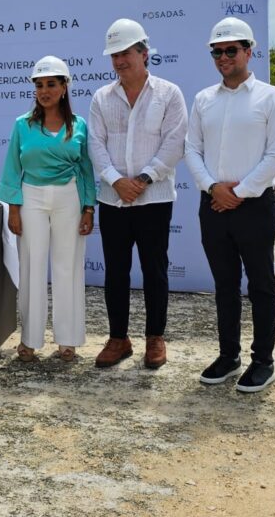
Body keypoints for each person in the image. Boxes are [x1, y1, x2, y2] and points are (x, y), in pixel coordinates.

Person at [185, 16, 275, 393]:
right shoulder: (202, 99)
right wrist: (214, 187)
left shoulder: (271, 97)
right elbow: (191, 150)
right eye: (217, 51)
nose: (224, 57)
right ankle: (229, 355)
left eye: (231, 50)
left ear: (249, 51)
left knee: (261, 284)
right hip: (213, 204)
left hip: (255, 205)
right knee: (224, 284)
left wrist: (239, 192)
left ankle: (263, 360)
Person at [87, 18, 187, 369]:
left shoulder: (169, 93)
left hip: (153, 199)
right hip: (112, 199)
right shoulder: (102, 97)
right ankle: (118, 339)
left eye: (125, 53)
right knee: (115, 271)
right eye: (114, 55)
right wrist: (116, 180)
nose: (119, 61)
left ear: (144, 53)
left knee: (155, 270)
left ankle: (155, 339)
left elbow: (175, 142)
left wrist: (142, 179)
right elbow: (95, 145)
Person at [0, 56, 96, 362]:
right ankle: (29, 339)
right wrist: (14, 208)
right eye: (39, 85)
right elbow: (12, 169)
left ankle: (68, 340)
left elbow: (87, 169)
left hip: (70, 198)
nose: (44, 90)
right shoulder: (22, 125)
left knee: (68, 267)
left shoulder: (79, 126)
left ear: (65, 87)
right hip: (31, 199)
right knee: (31, 267)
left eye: (51, 84)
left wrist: (89, 208)